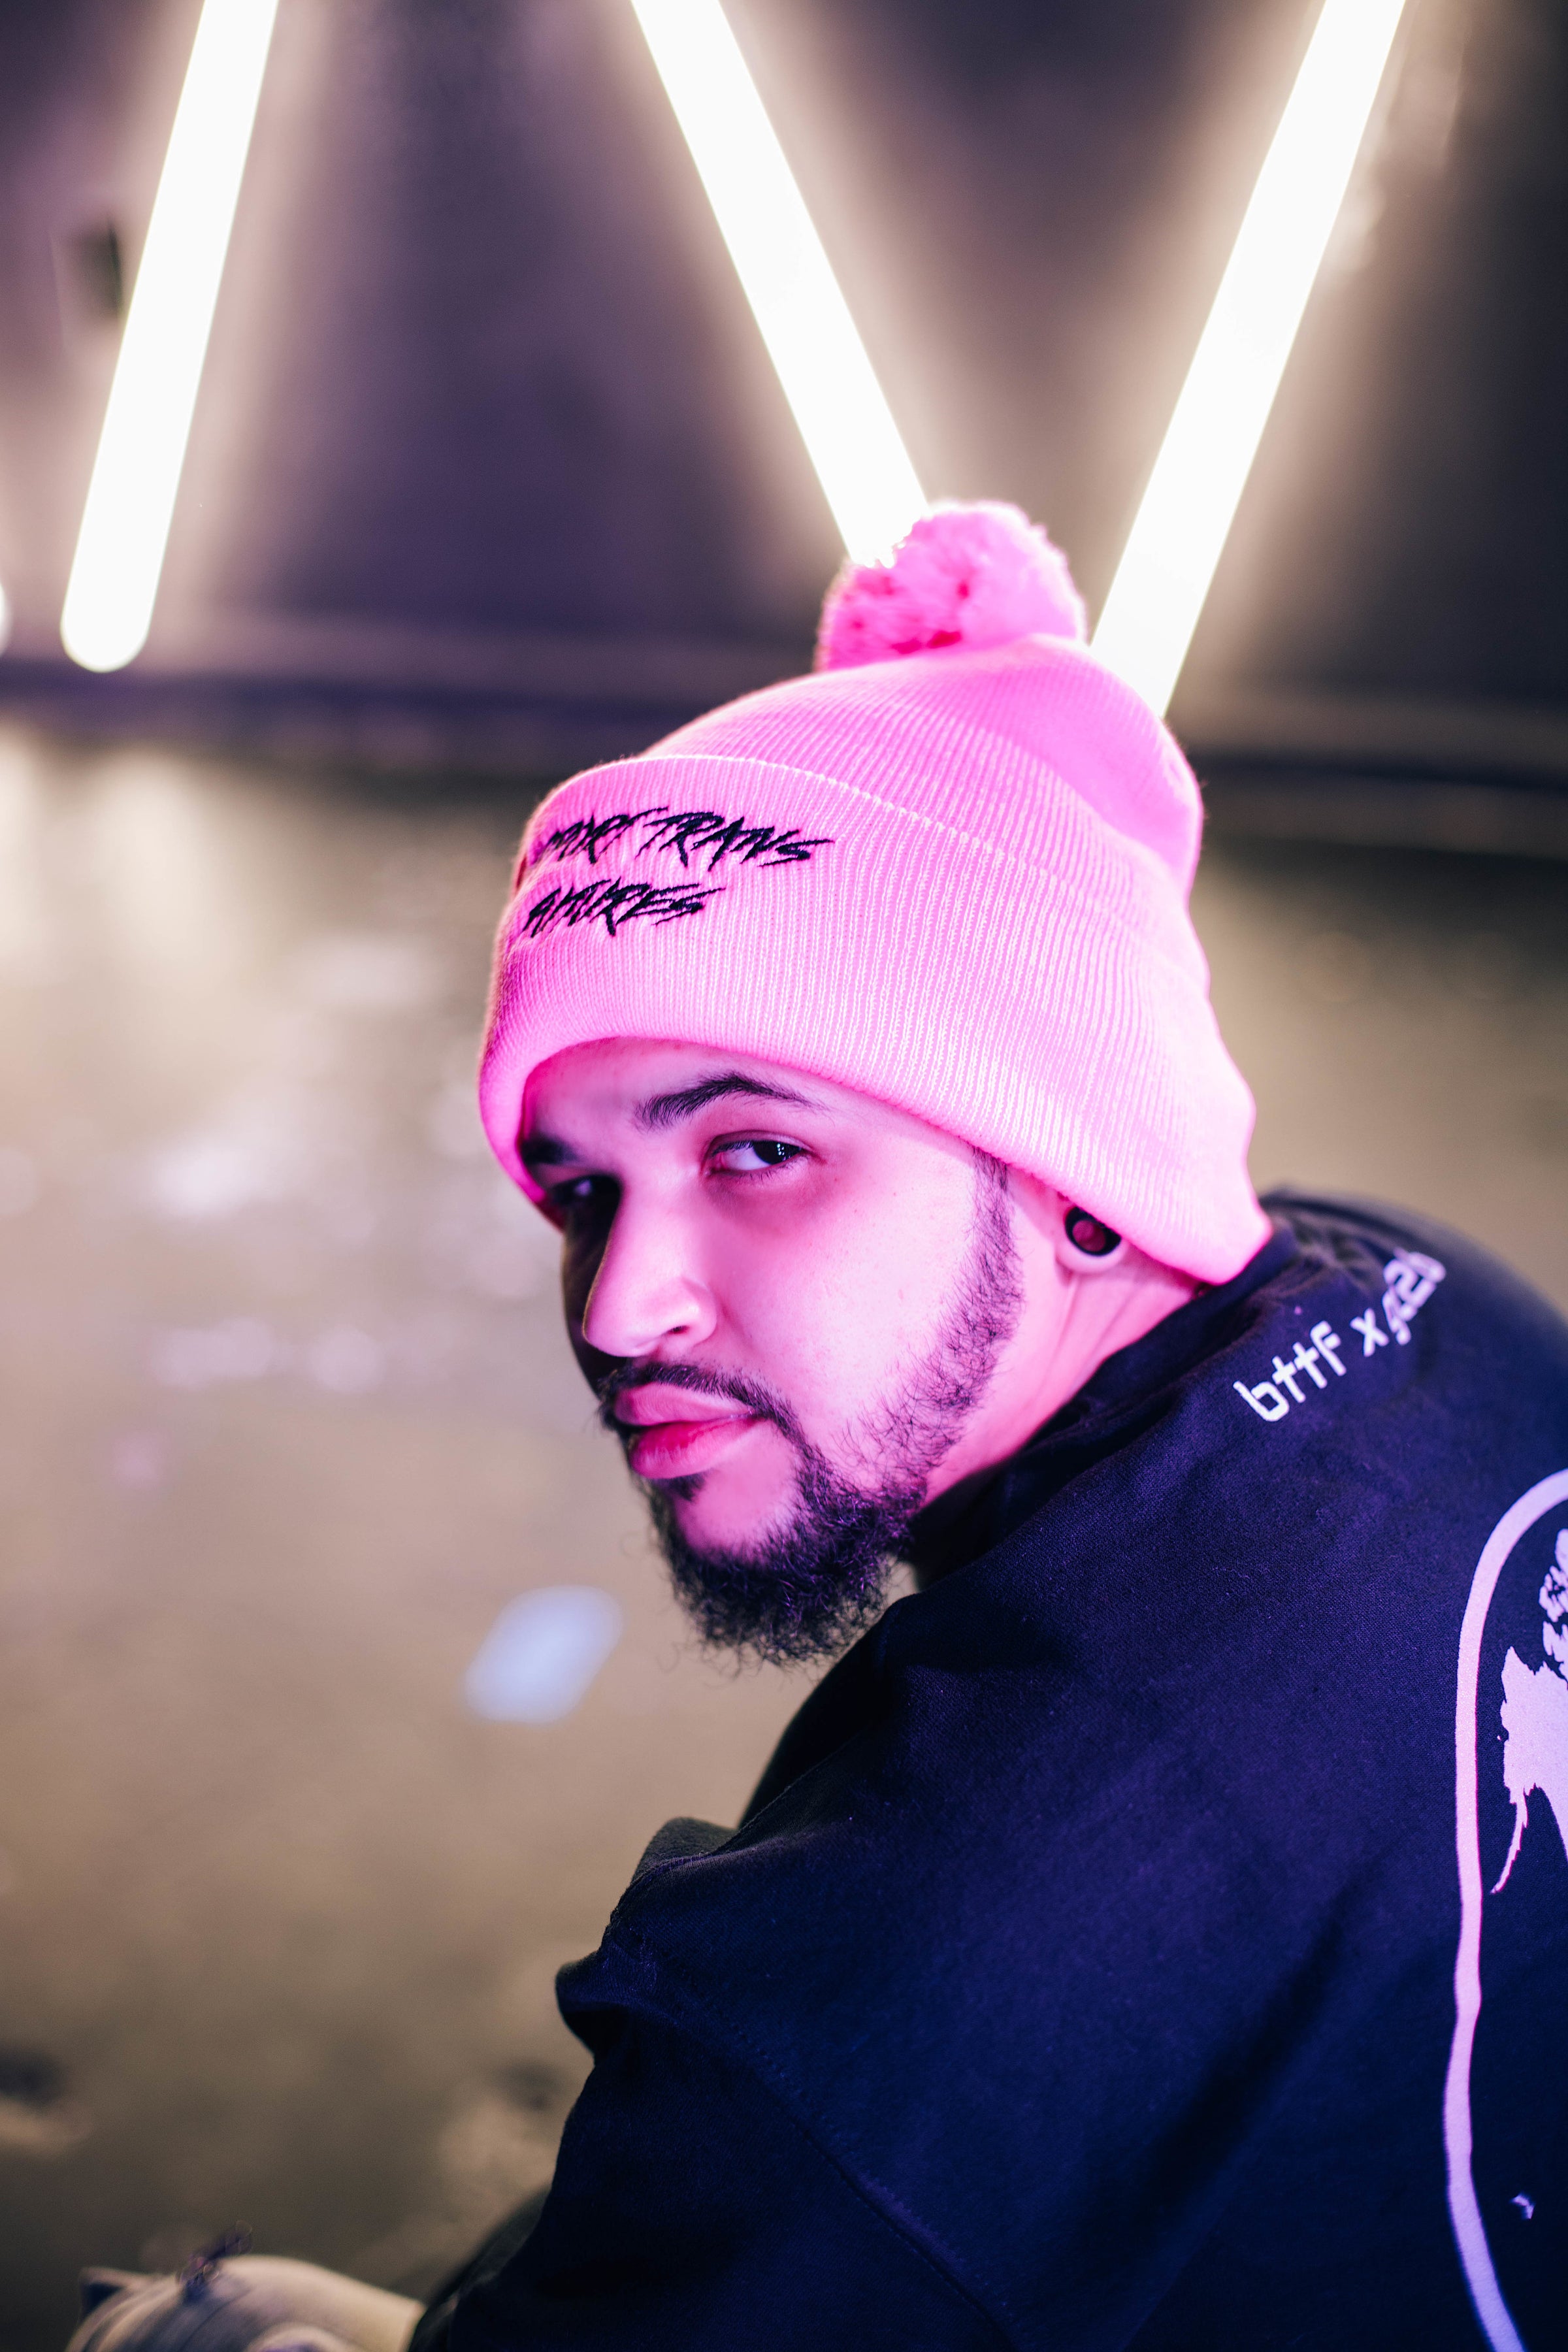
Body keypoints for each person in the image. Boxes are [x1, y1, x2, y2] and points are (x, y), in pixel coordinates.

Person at [73, 505, 1567, 2352]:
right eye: (578, 1191)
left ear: (1079, 1174)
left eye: (757, 1149)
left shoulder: (861, 2011)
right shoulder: (1434, 1294)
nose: (617, 1308)